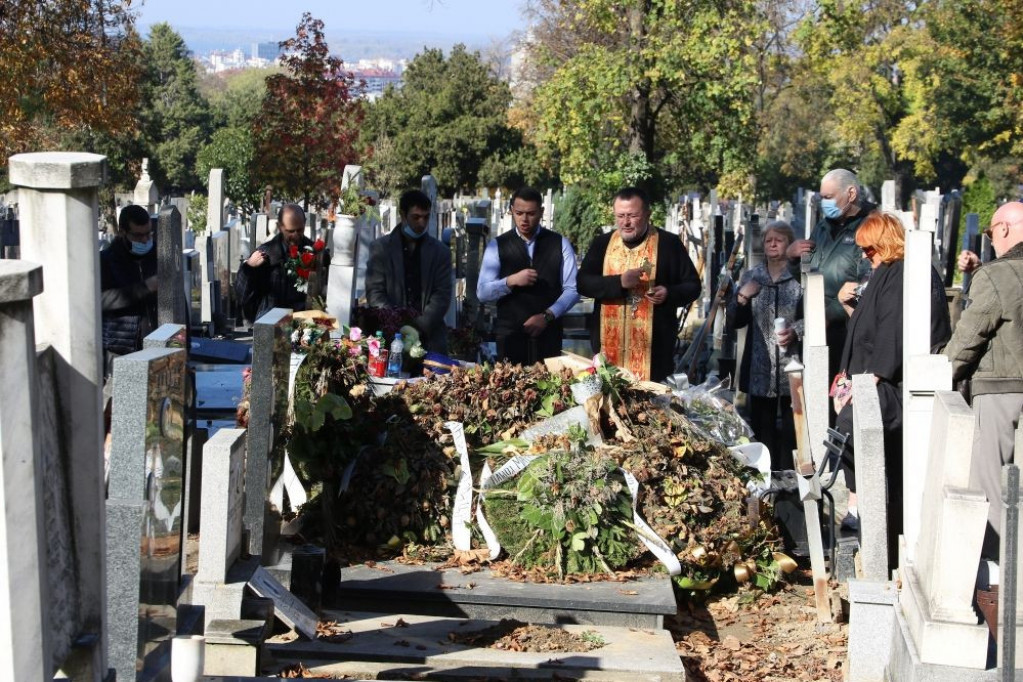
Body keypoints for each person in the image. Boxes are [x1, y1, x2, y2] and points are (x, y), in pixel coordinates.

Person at [832, 211, 951, 564]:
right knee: (848, 428)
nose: (865, 255)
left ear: (886, 243)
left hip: (893, 383)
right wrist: (845, 378)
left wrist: (871, 379)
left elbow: (892, 331)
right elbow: (866, 329)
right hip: (870, 377)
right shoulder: (884, 273)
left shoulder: (902, 273)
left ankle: (859, 506)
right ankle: (860, 506)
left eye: (869, 248)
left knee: (853, 425)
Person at [942, 201, 1023, 560]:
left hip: (1000, 392)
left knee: (990, 489)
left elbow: (967, 339)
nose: (991, 240)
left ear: (1003, 229)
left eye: (991, 233)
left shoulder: (996, 275)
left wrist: (941, 375)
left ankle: (997, 576)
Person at [577, 187, 701, 382]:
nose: (625, 222)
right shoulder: (602, 244)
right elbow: (583, 283)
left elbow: (693, 286)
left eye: (633, 216)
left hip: (655, 355)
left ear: (647, 215)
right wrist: (618, 282)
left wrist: (669, 293)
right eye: (620, 216)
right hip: (607, 353)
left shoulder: (668, 244)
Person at [787, 169, 876, 379]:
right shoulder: (822, 227)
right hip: (813, 323)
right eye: (822, 198)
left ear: (851, 194)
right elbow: (808, 277)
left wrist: (830, 314)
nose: (824, 203)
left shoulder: (869, 228)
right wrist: (792, 260)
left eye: (829, 197)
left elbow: (866, 284)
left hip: (844, 329)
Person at [477, 187, 579, 364]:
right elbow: (482, 292)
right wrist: (510, 281)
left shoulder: (559, 243)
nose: (524, 219)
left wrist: (547, 316)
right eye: (519, 213)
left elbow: (573, 289)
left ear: (541, 212)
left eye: (531, 213)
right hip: (510, 336)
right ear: (511, 211)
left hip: (548, 335)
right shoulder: (497, 245)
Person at [730, 221, 802, 471]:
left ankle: (791, 478)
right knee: (762, 428)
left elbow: (815, 314)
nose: (772, 244)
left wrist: (796, 331)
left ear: (789, 244)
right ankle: (763, 477)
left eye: (779, 240)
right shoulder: (752, 276)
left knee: (793, 429)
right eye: (769, 240)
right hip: (759, 367)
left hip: (792, 364)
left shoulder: (798, 277)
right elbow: (735, 321)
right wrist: (742, 297)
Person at [365, 189, 452, 353]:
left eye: (426, 217)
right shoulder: (381, 249)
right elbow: (375, 293)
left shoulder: (440, 252)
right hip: (390, 336)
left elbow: (442, 295)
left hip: (430, 337)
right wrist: (396, 324)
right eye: (416, 217)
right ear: (403, 215)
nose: (422, 223)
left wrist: (419, 326)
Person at [100, 204, 158, 375]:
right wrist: (145, 287)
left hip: (157, 346)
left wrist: (185, 345)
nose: (145, 240)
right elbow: (102, 300)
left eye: (148, 234)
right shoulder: (106, 261)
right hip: (121, 348)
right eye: (138, 235)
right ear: (122, 232)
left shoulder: (158, 256)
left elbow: (178, 301)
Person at [236, 203, 314, 322]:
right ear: (280, 227)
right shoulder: (266, 254)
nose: (295, 235)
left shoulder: (314, 252)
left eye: (300, 230)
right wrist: (249, 267)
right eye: (290, 231)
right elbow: (242, 295)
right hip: (270, 318)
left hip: (303, 318)